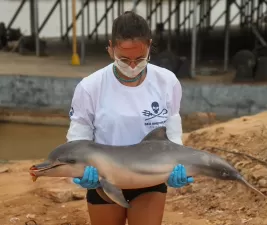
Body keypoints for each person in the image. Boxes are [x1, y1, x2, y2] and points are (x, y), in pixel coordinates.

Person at [66, 11, 194, 225]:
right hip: (103, 181)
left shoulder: (167, 82)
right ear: (110, 48)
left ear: (149, 46)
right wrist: (78, 174)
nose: (133, 66)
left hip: (150, 179)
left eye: (140, 58)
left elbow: (172, 131)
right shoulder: (90, 87)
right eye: (124, 59)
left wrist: (176, 165)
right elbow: (78, 138)